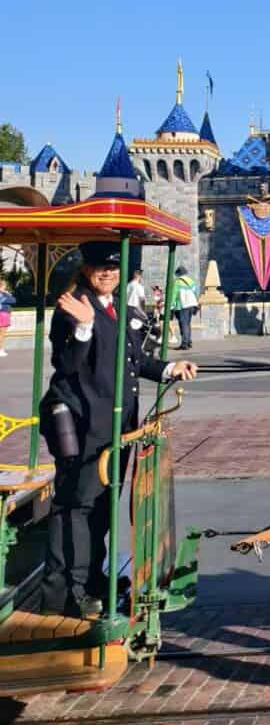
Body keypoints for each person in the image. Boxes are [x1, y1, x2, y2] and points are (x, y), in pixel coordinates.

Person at [39, 240, 197, 617]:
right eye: (99, 268)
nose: (107, 273)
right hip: (81, 423)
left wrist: (168, 370)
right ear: (86, 269)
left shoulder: (119, 309)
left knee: (101, 507)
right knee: (76, 507)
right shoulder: (73, 307)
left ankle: (93, 579)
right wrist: (83, 327)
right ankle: (65, 594)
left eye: (113, 268)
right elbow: (67, 365)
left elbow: (133, 359)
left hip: (115, 426)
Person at [169, 265, 200, 350]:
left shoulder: (177, 282)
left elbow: (173, 295)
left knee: (183, 324)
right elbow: (197, 293)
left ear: (178, 274)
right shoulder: (191, 281)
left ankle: (184, 344)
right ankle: (189, 342)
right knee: (188, 324)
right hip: (191, 305)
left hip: (182, 306)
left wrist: (171, 306)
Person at [0, 276, 14, 358]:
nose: (5, 287)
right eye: (4, 286)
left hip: (3, 314)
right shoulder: (3, 295)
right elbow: (13, 300)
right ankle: (0, 350)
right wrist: (6, 293)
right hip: (3, 315)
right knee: (2, 334)